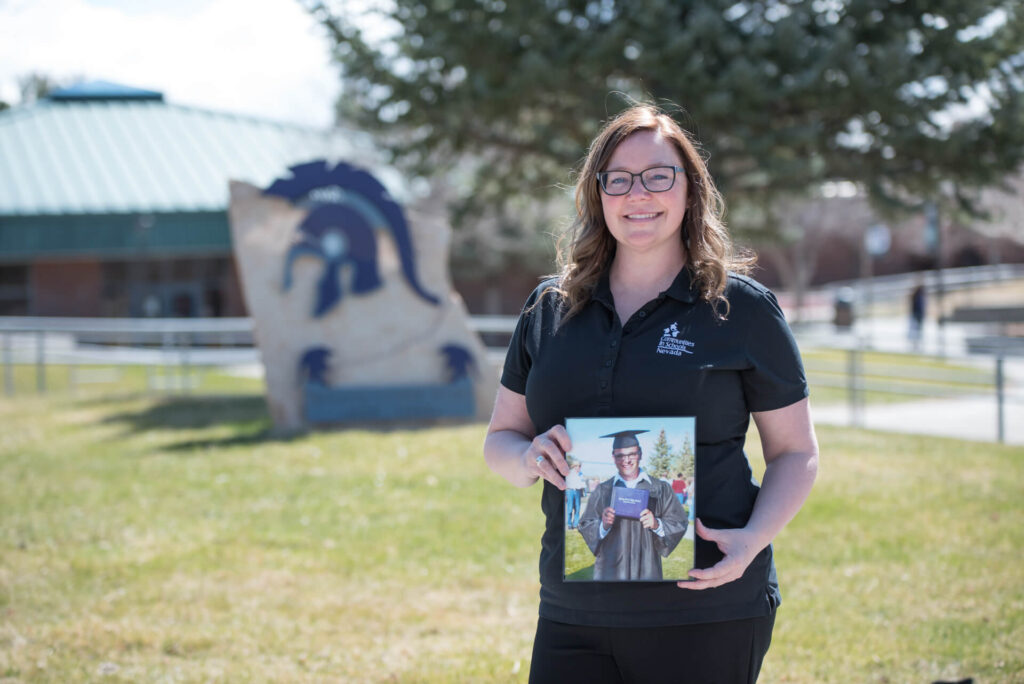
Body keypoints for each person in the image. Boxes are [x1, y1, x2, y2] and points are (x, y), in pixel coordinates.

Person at [483, 103, 818, 683]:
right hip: (573, 612)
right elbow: (501, 440)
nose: (638, 193)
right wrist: (526, 457)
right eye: (619, 178)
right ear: (598, 194)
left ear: (690, 190)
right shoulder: (548, 308)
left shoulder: (741, 310)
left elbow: (796, 453)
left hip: (707, 607)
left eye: (659, 175)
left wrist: (751, 542)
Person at [576, 430, 688, 580]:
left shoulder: (660, 488)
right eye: (620, 455)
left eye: (631, 454)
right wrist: (603, 525)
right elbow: (585, 524)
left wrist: (657, 524)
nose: (626, 460)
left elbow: (679, 522)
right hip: (611, 568)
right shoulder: (603, 490)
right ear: (613, 458)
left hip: (647, 566)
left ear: (640, 454)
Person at [564, 462, 585, 529]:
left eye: (579, 466)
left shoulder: (581, 474)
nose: (578, 467)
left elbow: (583, 483)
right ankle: (569, 524)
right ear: (574, 466)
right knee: (570, 508)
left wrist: (583, 491)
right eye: (577, 466)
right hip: (570, 491)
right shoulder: (569, 473)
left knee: (577, 508)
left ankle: (575, 524)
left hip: (578, 491)